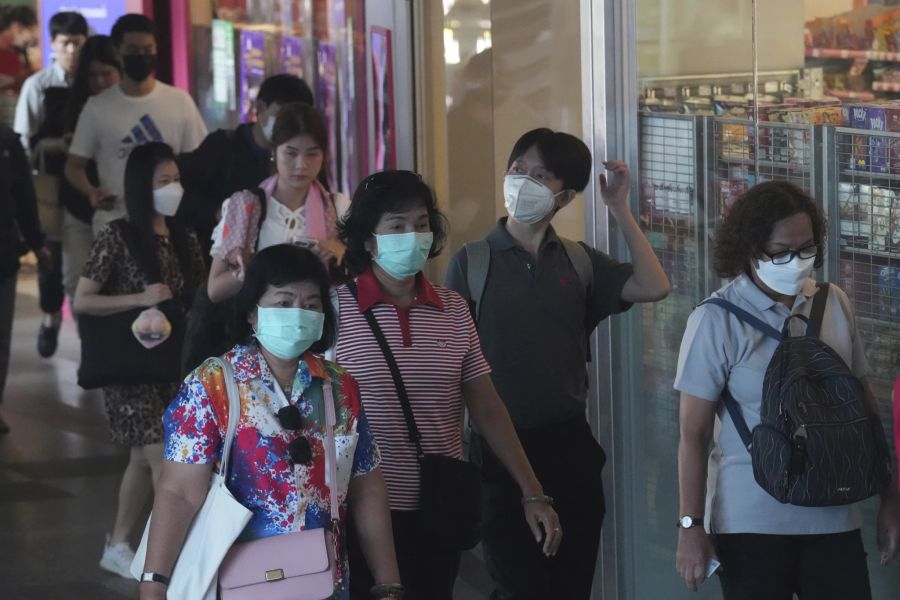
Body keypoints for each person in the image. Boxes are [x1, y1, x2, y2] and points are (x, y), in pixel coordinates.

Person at [443, 129, 670, 599]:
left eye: (538, 175)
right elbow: (452, 368)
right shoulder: (472, 262)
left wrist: (619, 208)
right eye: (517, 168)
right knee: (519, 584)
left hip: (568, 448)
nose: (520, 180)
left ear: (563, 196)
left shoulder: (578, 261)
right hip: (499, 455)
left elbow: (654, 285)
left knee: (571, 584)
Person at [335, 170, 562, 600]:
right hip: (358, 510)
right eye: (397, 226)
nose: (413, 235)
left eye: (421, 224)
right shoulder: (335, 311)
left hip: (438, 506)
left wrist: (533, 491)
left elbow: (487, 407)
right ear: (368, 240)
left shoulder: (453, 310)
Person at [673, 181, 900, 599]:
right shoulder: (716, 320)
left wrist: (891, 498)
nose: (796, 262)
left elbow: (865, 408)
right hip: (750, 524)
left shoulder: (835, 303)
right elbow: (694, 434)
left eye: (807, 249)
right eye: (780, 252)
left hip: (834, 514)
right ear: (749, 249)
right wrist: (690, 527)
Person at [138, 244, 403, 600]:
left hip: (322, 583)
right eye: (283, 302)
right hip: (234, 583)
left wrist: (388, 583)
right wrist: (154, 584)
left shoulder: (340, 388)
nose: (299, 313)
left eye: (311, 304)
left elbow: (366, 487)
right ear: (252, 312)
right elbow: (179, 492)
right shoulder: (214, 385)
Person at [73, 142, 206, 578]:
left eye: (176, 179)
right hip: (130, 368)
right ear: (140, 186)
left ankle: (118, 542)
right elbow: (84, 300)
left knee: (140, 457)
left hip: (172, 364)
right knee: (161, 456)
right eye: (163, 181)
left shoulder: (185, 238)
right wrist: (139, 298)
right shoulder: (117, 235)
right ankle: (169, 559)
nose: (174, 188)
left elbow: (200, 302)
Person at [65, 13, 207, 235]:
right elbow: (74, 165)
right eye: (132, 51)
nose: (142, 56)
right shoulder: (98, 107)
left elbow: (198, 160)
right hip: (115, 224)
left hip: (168, 225)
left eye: (148, 49)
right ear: (117, 50)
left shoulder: (179, 101)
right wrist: (92, 191)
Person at [12, 11, 88, 358]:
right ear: (54, 45)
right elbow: (24, 144)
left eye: (78, 42)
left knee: (86, 261)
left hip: (87, 186)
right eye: (66, 43)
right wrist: (57, 145)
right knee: (50, 259)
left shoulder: (94, 83)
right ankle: (51, 317)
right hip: (49, 187)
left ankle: (88, 332)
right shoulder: (38, 86)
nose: (72, 50)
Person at [178, 73, 315, 258]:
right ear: (260, 108)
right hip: (224, 260)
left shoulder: (302, 157)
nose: (289, 126)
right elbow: (182, 197)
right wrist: (219, 212)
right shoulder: (222, 147)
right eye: (283, 115)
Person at [56, 36, 121, 307]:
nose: (100, 82)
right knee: (77, 281)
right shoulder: (77, 107)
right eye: (92, 75)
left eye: (106, 73)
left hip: (119, 209)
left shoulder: (130, 106)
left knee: (114, 282)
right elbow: (72, 165)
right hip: (80, 205)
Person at [0, 123, 50, 434]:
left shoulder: (6, 141)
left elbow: (23, 196)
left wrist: (36, 241)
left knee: (1, 338)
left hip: (3, 256)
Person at [0, 6, 37, 94]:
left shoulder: (17, 53)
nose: (33, 37)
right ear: (17, 27)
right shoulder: (7, 55)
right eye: (31, 30)